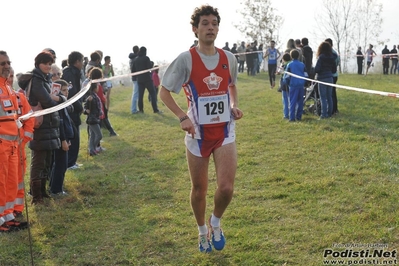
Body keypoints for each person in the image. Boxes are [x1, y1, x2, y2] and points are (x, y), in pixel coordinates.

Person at [159, 4, 243, 253]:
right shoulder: (186, 59)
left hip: (225, 132)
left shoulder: (229, 58)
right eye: (205, 23)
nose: (210, 27)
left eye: (214, 23)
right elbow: (164, 92)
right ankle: (202, 231)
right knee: (199, 190)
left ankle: (215, 222)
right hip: (197, 135)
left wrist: (234, 105)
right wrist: (182, 117)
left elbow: (232, 86)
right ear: (195, 29)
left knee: (226, 188)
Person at [19, 51, 66, 204]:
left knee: (47, 161)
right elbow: (48, 102)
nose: (48, 66)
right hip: (40, 127)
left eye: (49, 63)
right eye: (45, 63)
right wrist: (61, 99)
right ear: (38, 64)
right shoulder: (37, 81)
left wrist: (58, 98)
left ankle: (43, 192)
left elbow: (54, 100)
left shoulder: (46, 80)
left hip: (50, 125)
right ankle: (36, 196)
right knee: (38, 162)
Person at [0, 57, 30, 232]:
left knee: (10, 182)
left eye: (8, 63)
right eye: (2, 63)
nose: (6, 66)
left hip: (12, 145)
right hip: (2, 144)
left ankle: (7, 215)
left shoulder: (8, 88)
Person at [9, 67, 34, 219]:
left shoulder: (20, 98)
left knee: (18, 179)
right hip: (4, 148)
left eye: (12, 75)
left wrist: (23, 139)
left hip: (19, 148)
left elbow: (29, 119)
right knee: (6, 181)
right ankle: (6, 211)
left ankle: (17, 208)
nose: (9, 78)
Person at [49, 79, 74, 196]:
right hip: (61, 138)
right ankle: (56, 190)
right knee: (61, 164)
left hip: (65, 137)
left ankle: (53, 187)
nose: (66, 92)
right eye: (63, 90)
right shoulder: (57, 105)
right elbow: (60, 124)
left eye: (67, 89)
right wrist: (64, 140)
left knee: (59, 163)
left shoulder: (63, 103)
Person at [62, 51, 84, 170]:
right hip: (71, 109)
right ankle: (70, 163)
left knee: (76, 135)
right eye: (82, 60)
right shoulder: (69, 73)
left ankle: (72, 161)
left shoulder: (75, 73)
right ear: (77, 62)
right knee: (73, 135)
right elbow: (72, 93)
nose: (83, 63)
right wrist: (80, 107)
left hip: (74, 109)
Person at [131, 46, 161, 114]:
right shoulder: (146, 58)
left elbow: (133, 70)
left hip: (139, 80)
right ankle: (155, 109)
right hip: (147, 79)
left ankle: (141, 110)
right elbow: (150, 68)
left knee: (140, 96)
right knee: (153, 93)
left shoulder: (136, 59)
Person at [83, 67, 104, 156]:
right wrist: (86, 110)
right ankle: (93, 148)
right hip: (92, 119)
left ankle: (92, 151)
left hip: (95, 117)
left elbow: (98, 106)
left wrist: (100, 112)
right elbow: (86, 106)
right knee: (99, 135)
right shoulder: (90, 97)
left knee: (92, 135)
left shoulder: (95, 96)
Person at [314, 41, 337, 119]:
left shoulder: (321, 57)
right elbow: (334, 70)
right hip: (330, 78)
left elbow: (317, 69)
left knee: (323, 97)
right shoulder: (332, 57)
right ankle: (329, 113)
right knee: (329, 96)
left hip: (322, 78)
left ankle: (323, 114)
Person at [283, 49, 307, 122]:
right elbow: (306, 75)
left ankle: (292, 118)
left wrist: (286, 82)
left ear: (291, 56)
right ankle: (299, 116)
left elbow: (287, 76)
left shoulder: (289, 65)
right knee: (300, 102)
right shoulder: (302, 64)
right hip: (301, 85)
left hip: (293, 85)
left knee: (292, 101)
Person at [325, 38, 340, 115]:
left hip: (331, 75)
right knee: (332, 92)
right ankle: (334, 109)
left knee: (331, 93)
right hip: (334, 74)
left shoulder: (330, 53)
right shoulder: (335, 53)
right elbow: (338, 62)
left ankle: (333, 109)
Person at [277, 53, 291, 119]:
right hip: (291, 82)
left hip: (284, 82)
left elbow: (279, 72)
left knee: (285, 99)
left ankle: (286, 115)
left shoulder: (283, 65)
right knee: (291, 99)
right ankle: (292, 113)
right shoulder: (291, 63)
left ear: (283, 59)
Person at [129, 45, 140, 114]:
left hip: (134, 77)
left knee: (136, 93)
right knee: (135, 94)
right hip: (136, 77)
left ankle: (135, 108)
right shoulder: (135, 59)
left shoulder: (131, 59)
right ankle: (133, 110)